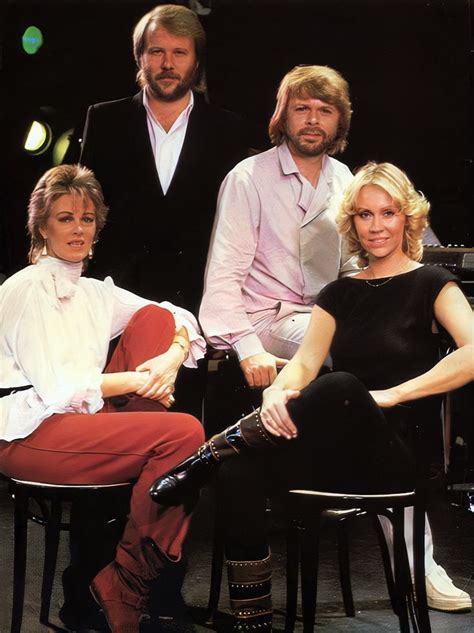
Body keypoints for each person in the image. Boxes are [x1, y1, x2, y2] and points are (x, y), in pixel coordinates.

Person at [151, 162, 474, 628]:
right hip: (338, 446)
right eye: (365, 215)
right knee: (240, 470)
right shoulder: (338, 294)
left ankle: (210, 451)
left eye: (387, 213)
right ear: (352, 223)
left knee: (343, 385)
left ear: (408, 217)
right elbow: (302, 365)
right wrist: (275, 398)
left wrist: (393, 394)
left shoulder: (431, 283)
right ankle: (253, 618)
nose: (376, 226)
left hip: (397, 447)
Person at [0, 164, 207, 633]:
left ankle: (123, 578)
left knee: (154, 319)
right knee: (186, 434)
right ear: (42, 226)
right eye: (65, 217)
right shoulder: (26, 289)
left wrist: (171, 360)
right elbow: (57, 389)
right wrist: (137, 380)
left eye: (87, 219)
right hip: (29, 434)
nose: (78, 228)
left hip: (82, 427)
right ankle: (128, 581)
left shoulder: (95, 293)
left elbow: (177, 316)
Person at [80, 3, 249, 312]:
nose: (168, 64)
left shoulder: (229, 129)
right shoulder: (105, 119)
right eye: (157, 52)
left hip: (197, 298)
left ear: (196, 61)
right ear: (139, 57)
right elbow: (86, 205)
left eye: (180, 53)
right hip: (115, 294)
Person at [199, 64, 356, 390]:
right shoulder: (248, 177)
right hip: (267, 320)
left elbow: (354, 270)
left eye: (325, 110)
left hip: (324, 316)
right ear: (283, 117)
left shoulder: (344, 178)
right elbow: (223, 278)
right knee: (355, 347)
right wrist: (246, 348)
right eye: (302, 109)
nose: (313, 120)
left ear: (339, 120)